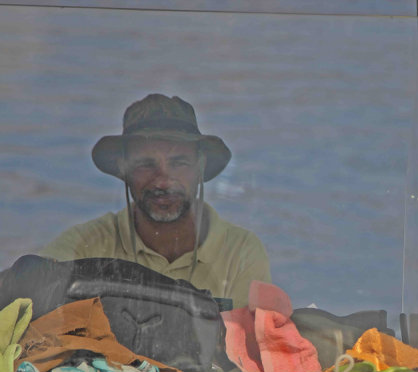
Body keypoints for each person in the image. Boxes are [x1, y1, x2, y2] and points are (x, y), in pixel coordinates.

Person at [38, 94, 270, 309]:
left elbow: (252, 344)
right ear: (123, 168)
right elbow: (27, 295)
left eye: (179, 163)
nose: (163, 181)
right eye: (145, 165)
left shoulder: (240, 251)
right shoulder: (85, 244)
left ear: (200, 166)